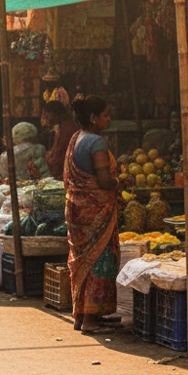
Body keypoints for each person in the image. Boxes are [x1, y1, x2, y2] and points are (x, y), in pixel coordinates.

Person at [65, 95, 121, 335]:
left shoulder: (76, 138)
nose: (108, 119)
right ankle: (90, 320)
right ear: (93, 117)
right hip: (95, 213)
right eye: (105, 114)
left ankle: (83, 314)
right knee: (100, 260)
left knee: (84, 262)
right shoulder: (96, 141)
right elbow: (104, 180)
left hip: (77, 212)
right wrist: (120, 182)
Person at [42, 99, 80, 181]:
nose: (46, 120)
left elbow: (60, 155)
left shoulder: (67, 129)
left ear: (55, 114)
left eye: (48, 116)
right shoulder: (62, 127)